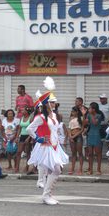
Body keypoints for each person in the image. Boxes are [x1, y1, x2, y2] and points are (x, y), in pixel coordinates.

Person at [27, 77, 69, 205]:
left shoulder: (55, 116)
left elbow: (55, 130)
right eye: (51, 102)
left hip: (55, 146)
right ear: (46, 104)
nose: (54, 104)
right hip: (46, 147)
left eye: (54, 102)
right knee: (55, 170)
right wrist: (38, 138)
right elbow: (30, 129)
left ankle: (48, 195)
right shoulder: (41, 117)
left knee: (55, 170)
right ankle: (46, 195)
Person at [85, 102, 104, 175]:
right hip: (90, 134)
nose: (89, 109)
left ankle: (98, 169)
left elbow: (95, 123)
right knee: (90, 153)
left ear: (94, 109)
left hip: (97, 135)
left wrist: (91, 115)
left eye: (90, 108)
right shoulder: (88, 115)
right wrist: (84, 116)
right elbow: (85, 123)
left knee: (98, 153)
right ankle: (90, 169)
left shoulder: (99, 115)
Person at [15, 107, 32, 173]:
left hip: (28, 136)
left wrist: (29, 138)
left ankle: (27, 167)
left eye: (23, 110)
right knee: (19, 152)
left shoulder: (30, 118)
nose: (22, 111)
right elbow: (19, 128)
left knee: (27, 152)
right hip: (22, 135)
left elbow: (32, 129)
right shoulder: (21, 118)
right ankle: (17, 167)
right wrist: (17, 137)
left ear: (27, 111)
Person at [68, 106, 84, 175]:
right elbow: (69, 128)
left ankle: (80, 168)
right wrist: (70, 136)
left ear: (77, 112)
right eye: (72, 111)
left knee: (80, 153)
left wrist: (74, 136)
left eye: (73, 111)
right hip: (72, 136)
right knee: (73, 153)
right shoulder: (71, 118)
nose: (72, 113)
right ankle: (72, 167)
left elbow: (82, 129)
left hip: (78, 136)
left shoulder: (81, 118)